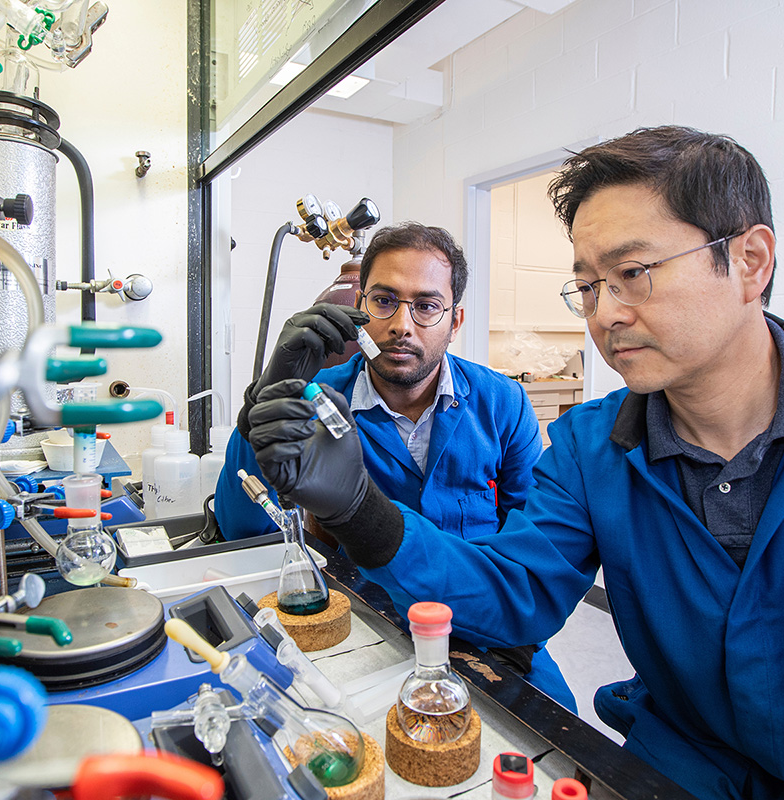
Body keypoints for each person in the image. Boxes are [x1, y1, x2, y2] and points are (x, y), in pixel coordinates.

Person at [242, 127, 784, 800]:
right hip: (677, 773)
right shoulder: (590, 448)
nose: (605, 313)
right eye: (587, 285)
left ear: (750, 261)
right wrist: (362, 514)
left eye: (633, 273)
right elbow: (517, 593)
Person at [215, 222, 577, 711]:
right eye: (384, 300)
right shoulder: (322, 396)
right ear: (359, 305)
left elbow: (529, 549)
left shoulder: (502, 403)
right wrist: (267, 395)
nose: (402, 325)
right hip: (366, 623)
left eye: (427, 306)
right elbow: (243, 529)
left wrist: (508, 633)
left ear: (456, 319)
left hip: (483, 627)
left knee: (560, 729)